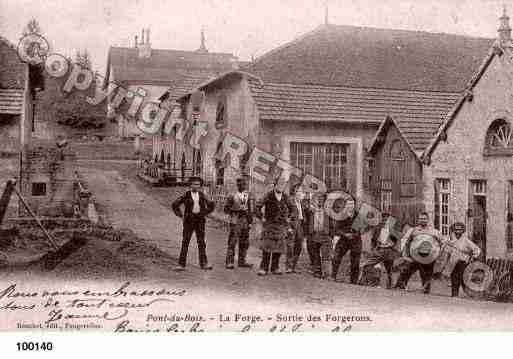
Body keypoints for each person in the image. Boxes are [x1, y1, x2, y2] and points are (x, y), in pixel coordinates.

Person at [394, 211, 444, 294]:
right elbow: (407, 243)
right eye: (421, 219)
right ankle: (400, 286)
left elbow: (442, 243)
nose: (422, 220)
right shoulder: (413, 230)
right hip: (415, 256)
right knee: (406, 271)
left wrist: (437, 255)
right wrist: (406, 255)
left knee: (426, 275)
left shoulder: (434, 231)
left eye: (424, 219)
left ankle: (425, 291)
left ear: (428, 220)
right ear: (418, 220)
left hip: (429, 257)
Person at [171, 177, 215, 271]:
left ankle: (204, 263)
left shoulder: (202, 195)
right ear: (190, 185)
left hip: (199, 220)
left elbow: (211, 204)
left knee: (201, 242)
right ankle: (181, 264)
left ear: (200, 186)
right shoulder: (186, 195)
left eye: (198, 184)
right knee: (185, 242)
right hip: (189, 221)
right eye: (194, 184)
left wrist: (204, 213)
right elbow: (175, 204)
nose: (196, 186)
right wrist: (181, 215)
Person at [255, 179, 294, 276]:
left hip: (281, 226)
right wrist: (261, 217)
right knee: (267, 247)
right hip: (269, 224)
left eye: (283, 185)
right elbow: (257, 206)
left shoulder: (285, 197)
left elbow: (293, 209)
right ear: (275, 185)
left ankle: (275, 267)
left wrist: (289, 218)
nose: (281, 186)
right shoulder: (268, 195)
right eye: (279, 184)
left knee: (279, 247)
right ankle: (263, 268)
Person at [358, 213, 400, 288]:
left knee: (389, 270)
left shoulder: (392, 229)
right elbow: (373, 240)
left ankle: (391, 286)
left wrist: (392, 245)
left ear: (389, 219)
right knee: (368, 265)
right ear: (381, 219)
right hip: (379, 250)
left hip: (389, 251)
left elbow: (396, 240)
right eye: (383, 218)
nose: (385, 220)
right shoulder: (377, 228)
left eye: (386, 218)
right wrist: (374, 249)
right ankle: (363, 281)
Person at [304, 193, 336, 279]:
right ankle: (317, 272)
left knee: (326, 255)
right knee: (314, 254)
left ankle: (327, 274)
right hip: (314, 234)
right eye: (318, 199)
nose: (320, 201)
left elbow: (333, 224)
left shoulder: (329, 211)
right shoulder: (311, 211)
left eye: (322, 199)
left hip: (325, 235)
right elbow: (304, 209)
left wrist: (331, 236)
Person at [224, 177, 253, 269]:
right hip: (235, 220)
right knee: (232, 241)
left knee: (245, 242)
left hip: (245, 221)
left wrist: (250, 221)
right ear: (237, 185)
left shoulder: (249, 195)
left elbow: (252, 209)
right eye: (240, 184)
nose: (243, 186)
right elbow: (226, 209)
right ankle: (229, 262)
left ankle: (242, 261)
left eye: (244, 184)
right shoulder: (232, 195)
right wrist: (236, 209)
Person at [445, 222, 481, 297]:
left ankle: (471, 296)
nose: (458, 231)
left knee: (463, 280)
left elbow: (477, 249)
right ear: (454, 231)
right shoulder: (451, 241)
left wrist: (473, 257)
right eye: (456, 230)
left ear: (462, 231)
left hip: (462, 264)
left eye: (460, 230)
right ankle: (454, 295)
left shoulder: (466, 241)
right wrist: (447, 263)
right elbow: (448, 252)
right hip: (453, 264)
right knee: (454, 280)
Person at [331, 197, 361, 284]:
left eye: (352, 204)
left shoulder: (358, 216)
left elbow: (360, 230)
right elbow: (337, 229)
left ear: (355, 205)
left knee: (355, 261)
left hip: (355, 240)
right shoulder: (342, 215)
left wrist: (353, 235)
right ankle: (333, 276)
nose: (350, 206)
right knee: (336, 256)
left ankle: (353, 281)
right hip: (344, 239)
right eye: (349, 204)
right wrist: (345, 234)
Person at [285, 184, 308, 274]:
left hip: (300, 225)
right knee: (290, 246)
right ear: (295, 192)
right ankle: (288, 266)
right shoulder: (290, 202)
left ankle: (293, 266)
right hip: (292, 226)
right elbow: (285, 215)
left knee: (298, 246)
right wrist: (288, 227)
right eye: (300, 192)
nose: (302, 194)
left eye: (303, 192)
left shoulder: (301, 203)